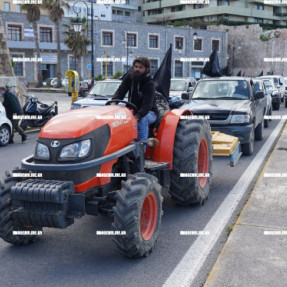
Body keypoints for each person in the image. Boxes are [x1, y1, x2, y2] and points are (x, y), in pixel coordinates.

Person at [112, 56, 157, 144]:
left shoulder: (150, 84)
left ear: (147, 69)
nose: (137, 69)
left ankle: (140, 150)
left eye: (140, 67)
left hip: (149, 112)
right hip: (132, 110)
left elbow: (147, 105)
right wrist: (113, 103)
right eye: (136, 66)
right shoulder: (129, 78)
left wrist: (137, 117)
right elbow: (120, 92)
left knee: (142, 120)